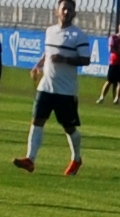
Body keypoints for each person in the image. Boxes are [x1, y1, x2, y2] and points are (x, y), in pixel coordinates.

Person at [13, 0, 88, 176]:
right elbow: (47, 53)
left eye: (70, 9)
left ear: (74, 13)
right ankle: (30, 159)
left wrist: (65, 59)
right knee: (37, 121)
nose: (67, 12)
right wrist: (38, 65)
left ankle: (76, 159)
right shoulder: (50, 31)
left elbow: (85, 60)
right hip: (46, 86)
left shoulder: (78, 35)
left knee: (69, 128)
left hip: (66, 90)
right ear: (57, 11)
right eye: (64, 8)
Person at [98, 20, 120, 105]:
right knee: (109, 80)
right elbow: (111, 49)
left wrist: (117, 51)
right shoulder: (113, 38)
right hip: (114, 62)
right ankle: (102, 96)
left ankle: (117, 98)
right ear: (119, 27)